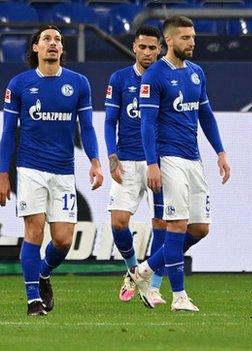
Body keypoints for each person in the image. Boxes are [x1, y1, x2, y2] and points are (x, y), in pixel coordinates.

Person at [0, 25, 103, 316]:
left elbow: (88, 127)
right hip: (30, 169)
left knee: (64, 239)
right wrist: (3, 174)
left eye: (57, 40)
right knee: (34, 231)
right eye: (46, 40)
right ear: (36, 48)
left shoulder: (79, 84)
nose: (52, 44)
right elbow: (8, 132)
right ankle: (33, 301)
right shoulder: (19, 84)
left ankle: (43, 274)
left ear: (62, 49)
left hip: (64, 172)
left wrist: (95, 161)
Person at [129, 16, 230, 312]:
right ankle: (179, 296)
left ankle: (143, 270)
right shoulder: (155, 76)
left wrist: (221, 152)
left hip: (193, 158)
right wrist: (152, 163)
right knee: (176, 225)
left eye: (193, 37)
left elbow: (206, 115)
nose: (192, 42)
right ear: (169, 41)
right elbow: (146, 124)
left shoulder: (197, 73)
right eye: (185, 38)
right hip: (168, 158)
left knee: (199, 228)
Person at [104, 25, 167, 306]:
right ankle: (132, 271)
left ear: (160, 49)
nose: (147, 52)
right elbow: (109, 122)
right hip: (127, 160)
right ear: (134, 47)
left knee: (164, 223)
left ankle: (153, 286)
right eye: (142, 47)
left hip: (162, 160)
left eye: (152, 48)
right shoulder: (119, 79)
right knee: (118, 222)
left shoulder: (168, 78)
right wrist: (112, 157)